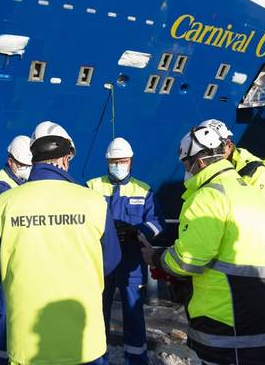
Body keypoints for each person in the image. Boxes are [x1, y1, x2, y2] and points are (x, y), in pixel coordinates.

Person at [142, 125, 265, 365]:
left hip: (227, 320)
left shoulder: (207, 197)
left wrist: (155, 257)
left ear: (199, 163)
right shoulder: (247, 189)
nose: (185, 169)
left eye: (185, 163)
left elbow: (187, 261)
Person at [0, 121, 122, 365]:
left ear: (33, 157)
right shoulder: (94, 202)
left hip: (27, 344)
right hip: (84, 341)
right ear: (67, 158)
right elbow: (110, 260)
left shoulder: (5, 204)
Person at [86, 137, 164, 365]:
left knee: (133, 314)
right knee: (98, 313)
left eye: (122, 161)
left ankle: (136, 359)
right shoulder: (92, 187)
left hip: (131, 264)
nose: (118, 165)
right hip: (101, 263)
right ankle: (98, 358)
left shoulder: (144, 190)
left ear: (131, 161)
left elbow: (158, 223)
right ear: (107, 161)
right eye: (114, 161)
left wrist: (136, 231)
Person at [199, 119, 265, 269]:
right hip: (229, 252)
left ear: (229, 146)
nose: (212, 155)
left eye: (216, 149)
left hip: (255, 256)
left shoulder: (256, 172)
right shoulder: (211, 170)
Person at [0, 134, 32, 364]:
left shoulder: (22, 181)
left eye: (29, 166)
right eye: (22, 165)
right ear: (10, 160)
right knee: (6, 317)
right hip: (5, 261)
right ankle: (5, 359)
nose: (25, 169)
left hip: (19, 259)